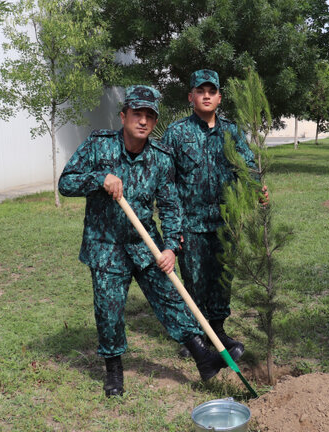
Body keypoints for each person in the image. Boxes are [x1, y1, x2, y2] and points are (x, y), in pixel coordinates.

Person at [58, 85, 230, 397]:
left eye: (150, 116)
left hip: (145, 243)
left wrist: (170, 248)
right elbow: (66, 183)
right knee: (109, 310)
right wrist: (99, 179)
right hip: (105, 245)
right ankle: (113, 369)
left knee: (172, 298)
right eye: (137, 113)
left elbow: (170, 206)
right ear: (123, 116)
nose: (143, 121)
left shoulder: (161, 159)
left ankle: (203, 358)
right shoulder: (99, 146)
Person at [162, 69, 265, 360]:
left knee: (221, 279)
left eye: (212, 91)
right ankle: (193, 336)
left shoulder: (231, 132)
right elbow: (166, 181)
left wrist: (258, 188)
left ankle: (217, 330)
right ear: (190, 97)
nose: (206, 95)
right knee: (194, 280)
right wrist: (173, 226)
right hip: (191, 224)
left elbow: (247, 166)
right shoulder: (177, 133)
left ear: (219, 97)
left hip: (224, 222)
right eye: (200, 91)